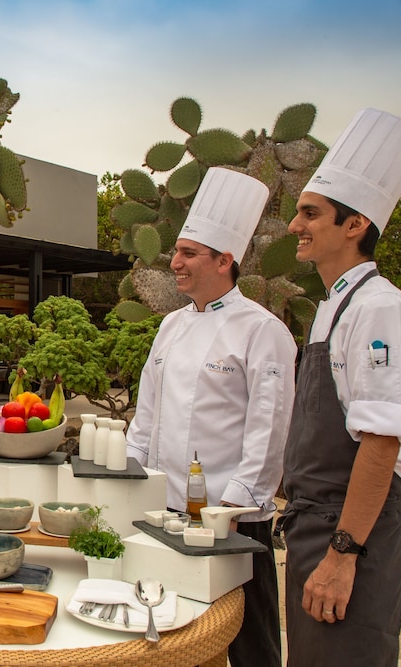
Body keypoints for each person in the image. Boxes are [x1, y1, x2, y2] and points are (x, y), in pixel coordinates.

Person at [279, 108, 401, 666]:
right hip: (316, 526)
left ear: (355, 225)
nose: (294, 226)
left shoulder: (379, 309)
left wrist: (343, 554)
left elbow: (381, 443)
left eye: (310, 213)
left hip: (350, 532)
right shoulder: (334, 307)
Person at [127, 167, 296, 666]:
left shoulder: (262, 330)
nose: (175, 262)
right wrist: (132, 473)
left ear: (225, 261)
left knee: (250, 638)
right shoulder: (170, 326)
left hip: (232, 516)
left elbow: (270, 428)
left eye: (188, 253)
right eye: (176, 252)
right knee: (175, 631)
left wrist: (235, 504)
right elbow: (147, 413)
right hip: (167, 510)